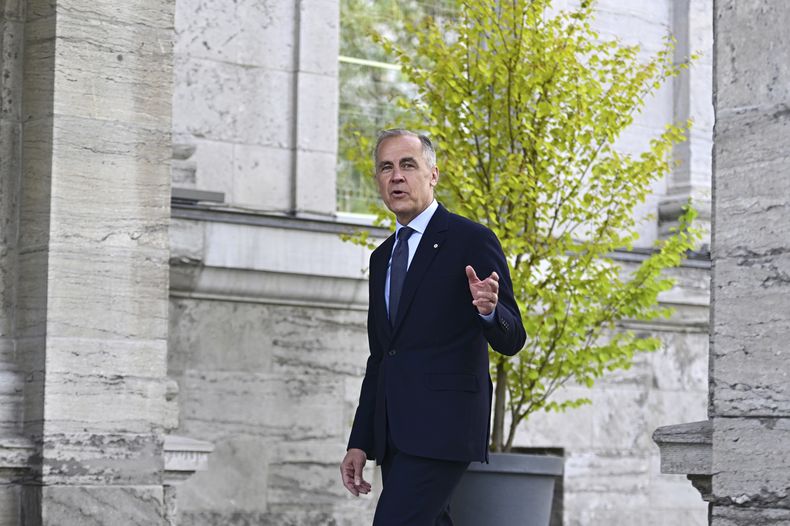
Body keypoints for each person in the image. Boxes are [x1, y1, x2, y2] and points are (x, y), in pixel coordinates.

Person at [340, 129, 526, 525]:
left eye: (408, 165)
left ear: (433, 174)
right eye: (386, 168)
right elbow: (382, 357)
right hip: (394, 433)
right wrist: (360, 441)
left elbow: (513, 339)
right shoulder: (381, 258)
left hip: (444, 428)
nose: (396, 177)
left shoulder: (471, 240)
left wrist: (490, 311)